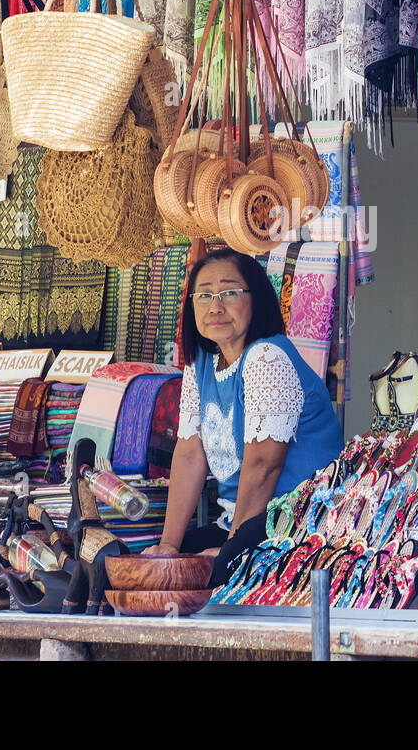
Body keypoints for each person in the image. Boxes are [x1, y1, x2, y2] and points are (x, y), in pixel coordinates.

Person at [143, 249, 342, 587]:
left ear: (257, 299)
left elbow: (264, 467)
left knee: (205, 581)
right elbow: (190, 453)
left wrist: (229, 554)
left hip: (295, 525)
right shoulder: (202, 361)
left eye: (230, 293)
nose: (215, 306)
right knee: (155, 572)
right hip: (242, 523)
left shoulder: (266, 357)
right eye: (204, 295)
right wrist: (168, 547)